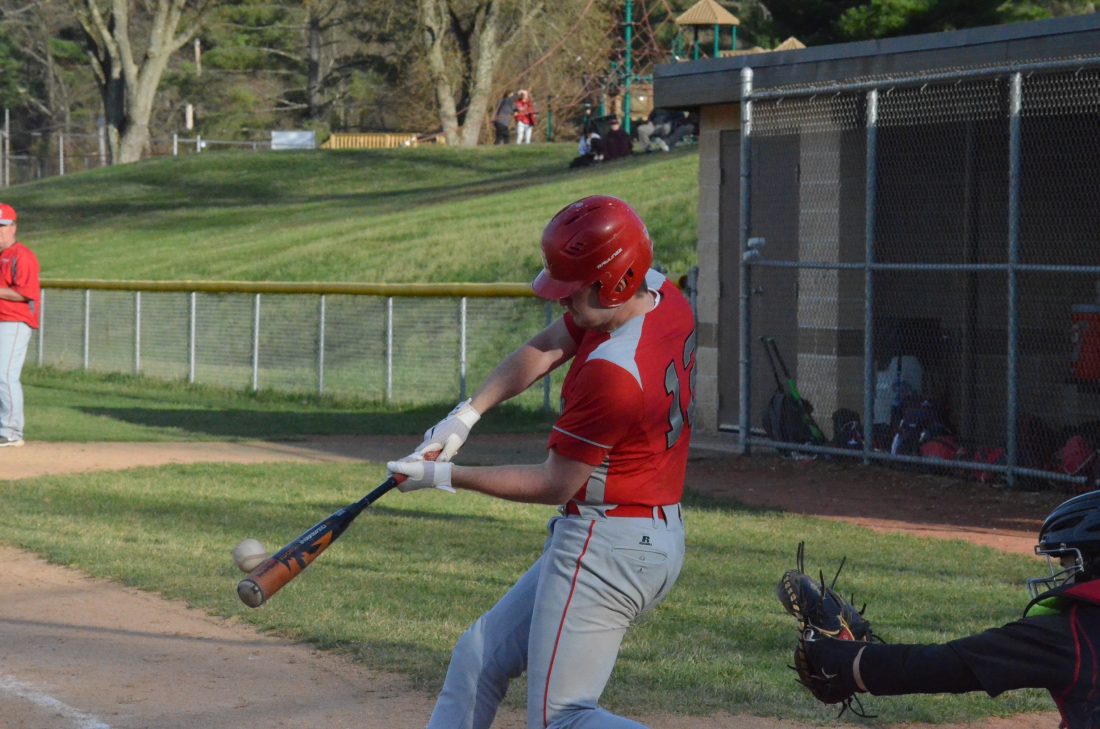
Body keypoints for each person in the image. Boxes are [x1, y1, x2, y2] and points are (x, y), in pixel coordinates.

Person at [387, 195, 697, 729]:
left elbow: (556, 483)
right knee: (479, 656)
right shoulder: (661, 294)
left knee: (562, 718)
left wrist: (445, 476)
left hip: (609, 544)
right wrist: (466, 415)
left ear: (614, 283)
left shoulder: (613, 374)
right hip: (639, 534)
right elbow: (553, 343)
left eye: (572, 289)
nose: (562, 301)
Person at [802, 488, 1100, 729]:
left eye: (1069, 564)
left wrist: (842, 661)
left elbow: (948, 665)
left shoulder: (1073, 635)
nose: (1064, 576)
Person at [0, 203, 39, 448]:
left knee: (4, 374)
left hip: (14, 322)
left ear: (14, 227)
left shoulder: (22, 256)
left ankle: (12, 432)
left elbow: (26, 293)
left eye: (3, 226)